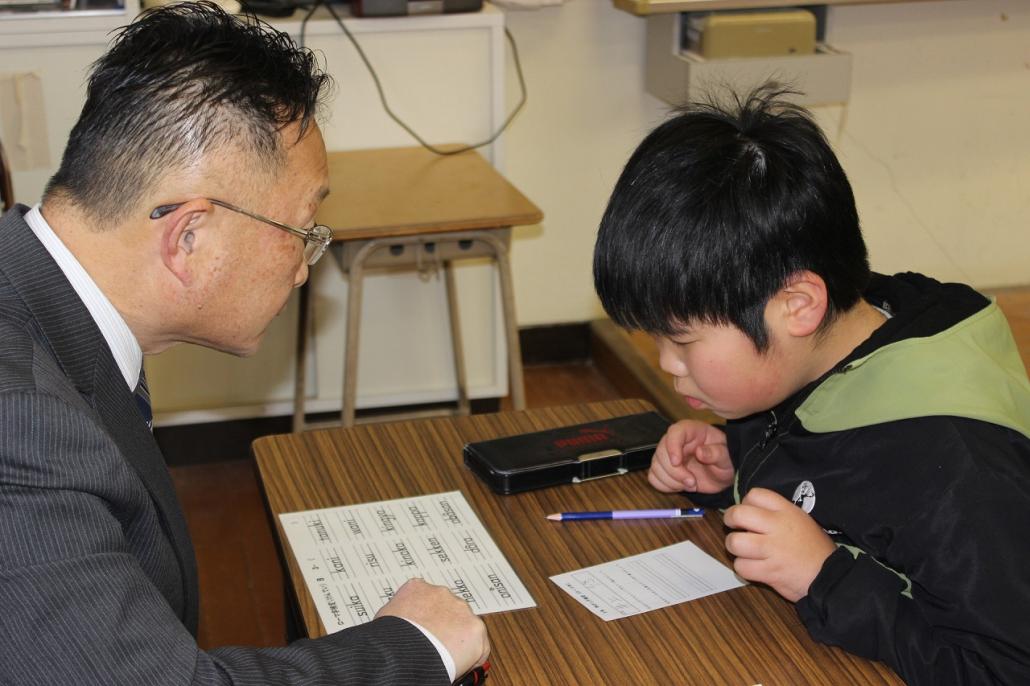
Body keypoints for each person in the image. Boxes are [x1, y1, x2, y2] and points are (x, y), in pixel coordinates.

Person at [0, 3, 488, 684]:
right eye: (305, 228)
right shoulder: (21, 422)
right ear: (189, 238)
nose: (303, 263)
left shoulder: (38, 299)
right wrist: (415, 647)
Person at [593, 84, 1030, 685]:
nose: (667, 365)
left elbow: (1002, 668)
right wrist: (739, 469)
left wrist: (827, 579)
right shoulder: (821, 346)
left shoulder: (959, 466)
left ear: (797, 305)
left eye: (683, 340)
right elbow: (830, 464)